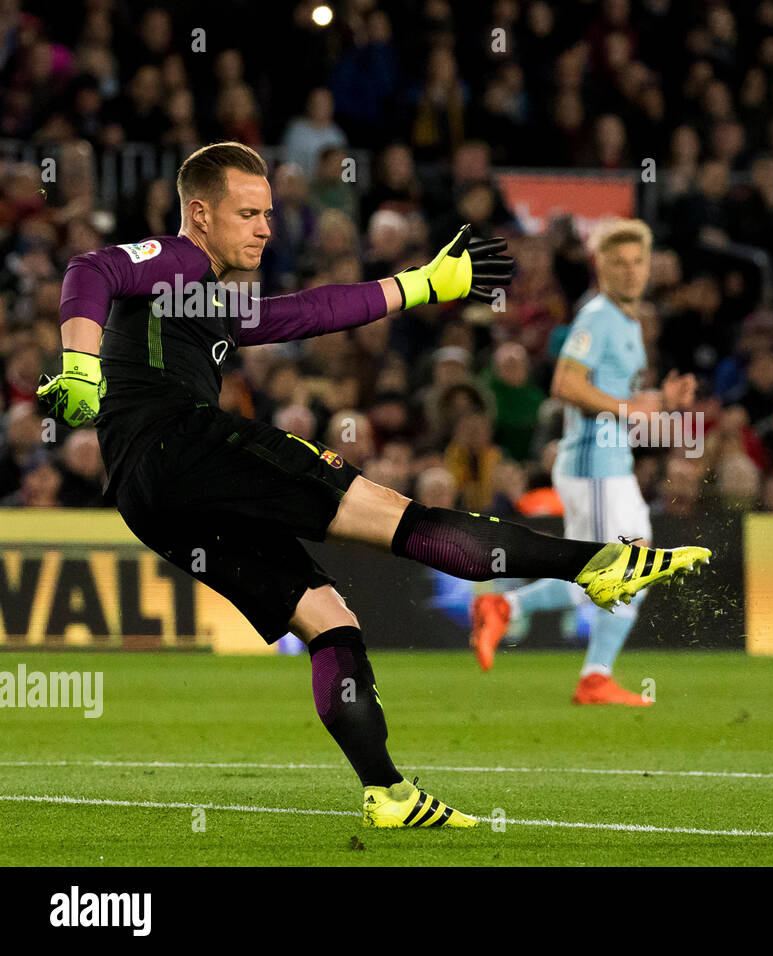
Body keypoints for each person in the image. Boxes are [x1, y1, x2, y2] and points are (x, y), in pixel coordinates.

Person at [37, 142, 710, 829]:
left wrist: (421, 284)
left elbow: (311, 311)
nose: (266, 227)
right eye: (248, 214)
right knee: (395, 516)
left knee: (329, 618)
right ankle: (591, 564)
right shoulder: (180, 260)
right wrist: (81, 365)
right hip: (186, 444)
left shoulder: (209, 300)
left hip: (147, 498)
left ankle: (386, 792)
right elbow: (91, 267)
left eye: (268, 213)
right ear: (200, 214)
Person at [469, 218, 697, 705]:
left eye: (638, 262)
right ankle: (512, 612)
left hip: (612, 465)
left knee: (623, 570)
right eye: (619, 263)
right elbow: (565, 385)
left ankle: (588, 669)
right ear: (601, 267)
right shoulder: (597, 315)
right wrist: (630, 408)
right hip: (593, 463)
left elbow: (617, 396)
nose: (632, 272)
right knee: (614, 568)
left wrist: (659, 398)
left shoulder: (628, 322)